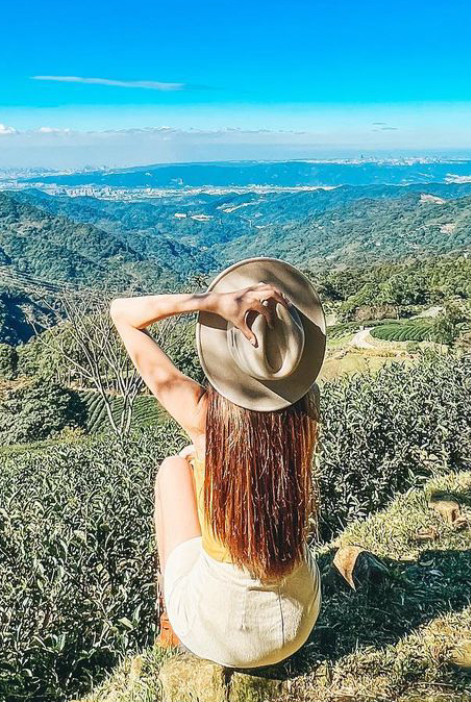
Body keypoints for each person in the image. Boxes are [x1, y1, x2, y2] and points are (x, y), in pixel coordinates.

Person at [109, 257, 326, 670]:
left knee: (174, 469)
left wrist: (212, 302)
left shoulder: (207, 423)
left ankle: (170, 622)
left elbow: (123, 314)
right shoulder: (303, 419)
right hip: (298, 626)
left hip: (217, 632)